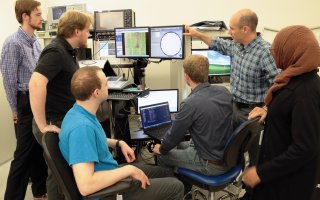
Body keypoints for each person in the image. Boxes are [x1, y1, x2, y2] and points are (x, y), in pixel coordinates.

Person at [59, 66, 184, 199]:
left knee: (166, 172)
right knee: (176, 187)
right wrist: (128, 170)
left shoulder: (79, 112)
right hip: (108, 192)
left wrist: (118, 143)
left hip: (110, 173)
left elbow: (92, 141)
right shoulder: (81, 128)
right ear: (96, 92)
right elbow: (86, 186)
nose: (109, 86)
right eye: (106, 84)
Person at [242, 25, 320, 200]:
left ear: (292, 51)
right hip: (280, 175)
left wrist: (260, 173)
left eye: (276, 49)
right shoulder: (297, 79)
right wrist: (269, 110)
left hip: (288, 182)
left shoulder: (304, 92)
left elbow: (305, 148)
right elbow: (290, 110)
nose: (272, 53)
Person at [29, 10, 92, 200]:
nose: (89, 34)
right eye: (87, 30)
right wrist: (42, 125)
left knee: (63, 173)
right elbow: (36, 83)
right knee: (58, 176)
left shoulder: (67, 51)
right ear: (76, 31)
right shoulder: (56, 51)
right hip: (53, 121)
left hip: (62, 119)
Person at [184, 9, 280, 128]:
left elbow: (280, 85)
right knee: (234, 145)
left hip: (252, 113)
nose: (229, 32)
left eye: (232, 28)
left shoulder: (265, 52)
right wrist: (197, 34)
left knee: (248, 146)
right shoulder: (237, 45)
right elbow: (218, 44)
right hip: (234, 108)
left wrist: (266, 109)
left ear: (245, 29)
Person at [153, 54, 233, 177]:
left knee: (162, 155)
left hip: (210, 164)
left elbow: (174, 135)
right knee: (180, 145)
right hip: (228, 157)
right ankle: (185, 183)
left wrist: (161, 148)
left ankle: (174, 190)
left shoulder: (189, 103)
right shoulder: (224, 92)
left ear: (186, 76)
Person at [0, 0, 47, 199]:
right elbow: (9, 81)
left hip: (38, 100)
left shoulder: (36, 41)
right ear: (25, 16)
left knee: (38, 148)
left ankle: (39, 191)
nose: (42, 18)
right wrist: (15, 111)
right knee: (22, 155)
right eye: (37, 14)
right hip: (25, 102)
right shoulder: (13, 43)